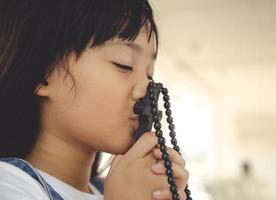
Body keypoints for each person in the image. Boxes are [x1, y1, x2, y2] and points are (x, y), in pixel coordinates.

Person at [0, 0, 190, 199]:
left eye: (149, 74)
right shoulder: (9, 187)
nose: (146, 88)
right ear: (41, 74)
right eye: (123, 65)